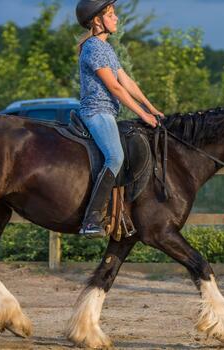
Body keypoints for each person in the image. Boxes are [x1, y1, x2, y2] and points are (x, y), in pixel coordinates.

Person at [76, 0, 163, 238]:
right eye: (112, 15)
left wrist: (151, 107)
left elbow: (127, 82)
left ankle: (121, 213)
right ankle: (91, 219)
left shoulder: (107, 49)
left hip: (108, 113)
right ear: (97, 20)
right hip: (96, 111)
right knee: (115, 157)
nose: (116, 19)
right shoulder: (93, 47)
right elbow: (114, 87)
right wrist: (142, 114)